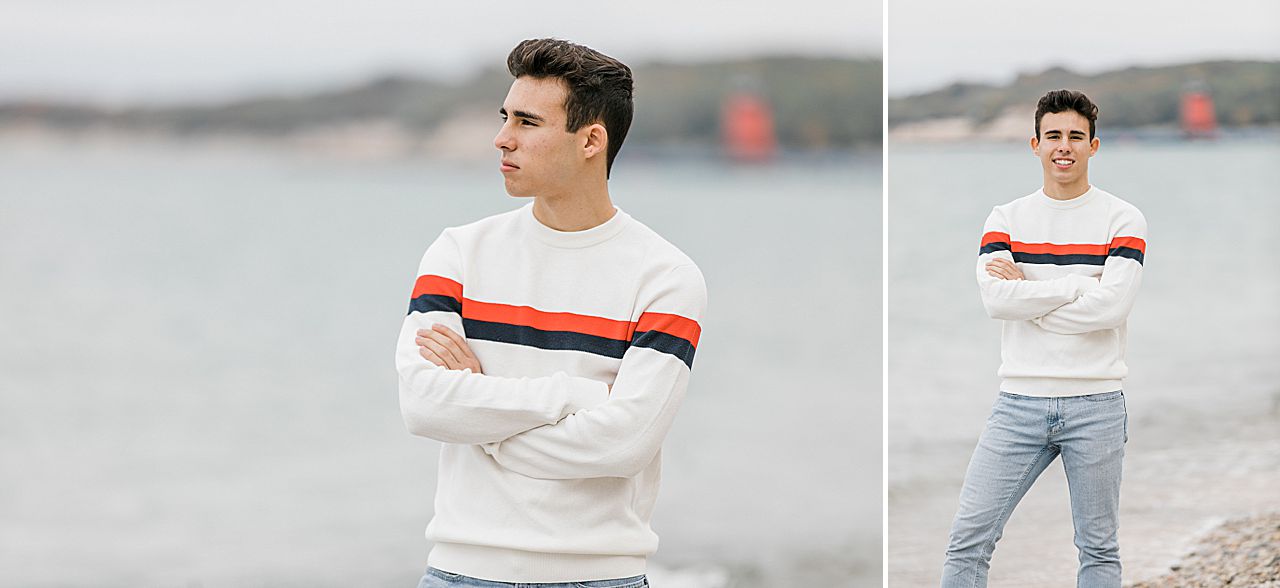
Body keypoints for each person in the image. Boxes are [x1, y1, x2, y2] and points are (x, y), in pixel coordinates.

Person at [395, 38, 706, 588]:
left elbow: (623, 444)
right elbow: (424, 406)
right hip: (460, 572)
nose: (501, 138)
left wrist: (481, 416)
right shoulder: (459, 254)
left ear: (590, 140)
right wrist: (574, 398)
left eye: (527, 122)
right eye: (505, 117)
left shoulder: (665, 277)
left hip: (602, 577)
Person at [940, 89, 1147, 588]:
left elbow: (1112, 308)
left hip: (1095, 403)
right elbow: (995, 301)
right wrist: (1077, 288)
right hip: (1018, 405)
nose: (1064, 146)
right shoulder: (1005, 218)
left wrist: (1031, 293)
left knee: (1098, 549)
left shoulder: (1123, 219)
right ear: (1034, 144)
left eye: (1076, 136)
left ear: (1093, 147)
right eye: (1053, 135)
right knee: (967, 542)